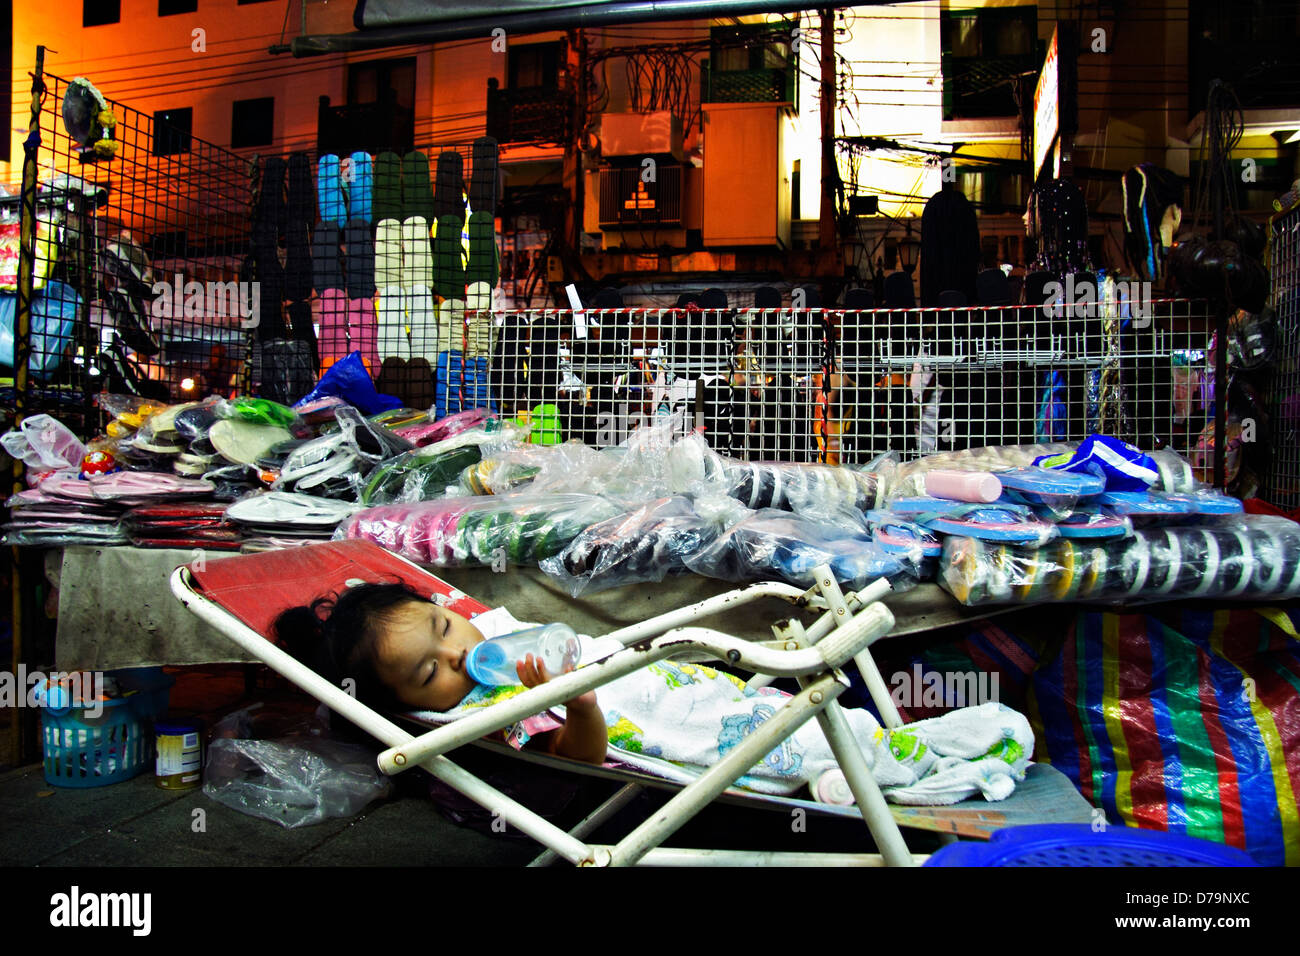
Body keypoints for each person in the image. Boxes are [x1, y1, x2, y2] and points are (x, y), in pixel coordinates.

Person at [277, 582, 1034, 803]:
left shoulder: (492, 643)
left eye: (446, 626)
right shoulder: (483, 719)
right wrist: (577, 698)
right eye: (430, 671)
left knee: (765, 704)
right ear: (412, 708)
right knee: (797, 734)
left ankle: (844, 751)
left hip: (685, 685)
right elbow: (583, 758)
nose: (458, 652)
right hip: (668, 734)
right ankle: (843, 765)